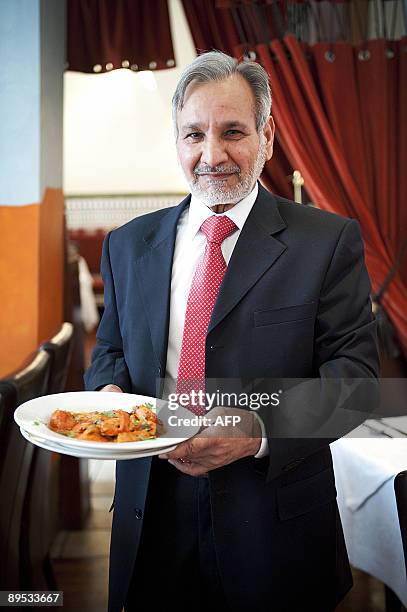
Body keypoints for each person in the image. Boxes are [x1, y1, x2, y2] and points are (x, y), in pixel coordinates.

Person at [84, 51, 379, 612]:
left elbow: (356, 383)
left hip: (275, 527)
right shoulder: (127, 245)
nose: (211, 154)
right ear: (176, 140)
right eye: (193, 134)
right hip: (150, 518)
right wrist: (109, 397)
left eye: (233, 132)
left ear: (266, 136)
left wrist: (255, 429)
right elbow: (111, 351)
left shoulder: (328, 242)